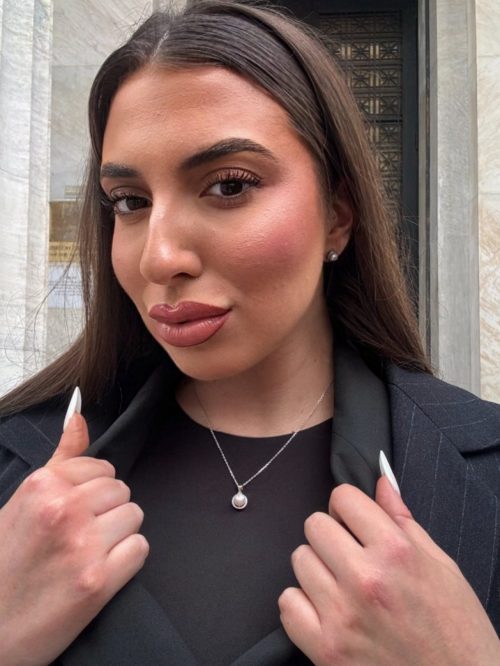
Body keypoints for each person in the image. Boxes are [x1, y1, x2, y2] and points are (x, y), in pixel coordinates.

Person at [0, 1, 498, 664]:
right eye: (130, 202)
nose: (158, 258)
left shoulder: (486, 473)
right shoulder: (16, 471)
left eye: (229, 186)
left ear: (338, 214)